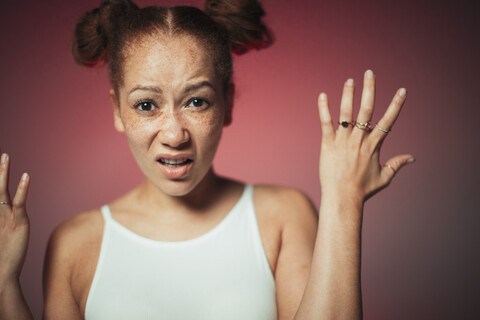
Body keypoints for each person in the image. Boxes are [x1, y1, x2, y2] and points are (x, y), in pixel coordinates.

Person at [0, 0, 415, 319]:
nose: (175, 133)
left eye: (197, 101)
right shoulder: (73, 245)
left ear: (227, 104)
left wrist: (344, 200)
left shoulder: (282, 217)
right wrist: (4, 286)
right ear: (116, 111)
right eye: (146, 105)